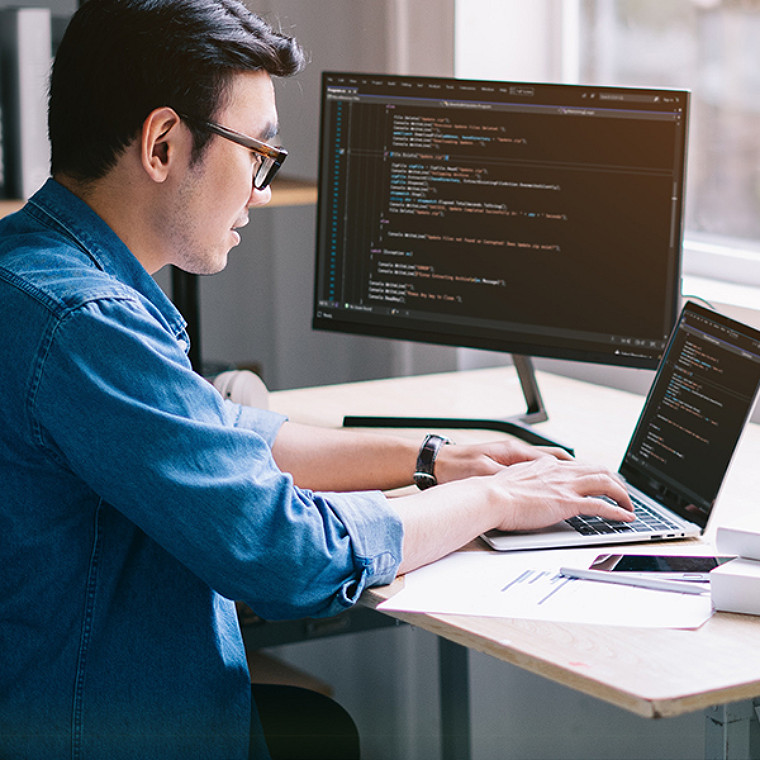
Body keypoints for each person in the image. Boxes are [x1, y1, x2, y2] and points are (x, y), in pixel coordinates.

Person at [0, 0, 635, 757]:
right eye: (258, 153)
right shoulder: (87, 322)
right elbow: (287, 556)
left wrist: (430, 459)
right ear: (163, 143)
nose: (263, 191)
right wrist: (492, 498)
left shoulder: (30, 271)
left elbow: (222, 431)